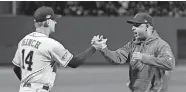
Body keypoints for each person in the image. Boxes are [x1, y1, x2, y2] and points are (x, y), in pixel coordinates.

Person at [12, 6, 96, 92]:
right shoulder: (50, 44)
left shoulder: (24, 40)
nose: (55, 22)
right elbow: (74, 62)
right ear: (48, 22)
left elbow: (16, 68)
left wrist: (28, 84)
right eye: (53, 20)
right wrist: (94, 48)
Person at [91, 13, 175, 92]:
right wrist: (103, 48)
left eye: (137, 25)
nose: (133, 28)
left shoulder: (160, 45)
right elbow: (117, 58)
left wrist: (144, 58)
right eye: (133, 25)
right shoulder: (132, 45)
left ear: (147, 26)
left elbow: (169, 63)